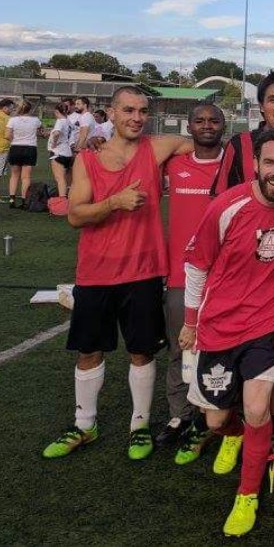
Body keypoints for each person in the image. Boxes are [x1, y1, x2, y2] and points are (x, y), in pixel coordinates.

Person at [41, 86, 193, 461]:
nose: (136, 117)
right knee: (89, 350)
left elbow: (200, 139)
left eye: (143, 111)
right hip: (96, 273)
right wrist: (114, 202)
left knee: (142, 352)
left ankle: (138, 425)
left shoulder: (155, 148)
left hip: (144, 272)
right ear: (111, 112)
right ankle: (84, 424)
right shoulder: (88, 159)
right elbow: (75, 215)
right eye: (128, 110)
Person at [179, 126, 274, 537]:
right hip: (219, 326)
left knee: (256, 407)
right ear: (255, 164)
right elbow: (197, 266)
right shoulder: (226, 206)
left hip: (267, 327)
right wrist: (190, 322)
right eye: (270, 162)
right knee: (216, 421)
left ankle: (246, 495)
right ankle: (233, 435)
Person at [157, 104, 226, 463]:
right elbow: (142, 152)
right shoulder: (174, 165)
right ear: (189, 127)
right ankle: (179, 415)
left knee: (217, 351)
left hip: (223, 278)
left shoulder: (234, 168)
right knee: (180, 348)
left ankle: (209, 416)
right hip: (180, 275)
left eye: (214, 121)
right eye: (199, 121)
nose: (207, 126)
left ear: (224, 126)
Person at [6, 100, 46, 208]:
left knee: (14, 175)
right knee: (26, 177)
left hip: (15, 148)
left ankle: (12, 200)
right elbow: (43, 132)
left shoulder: (12, 120)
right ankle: (24, 201)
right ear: (30, 109)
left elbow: (7, 135)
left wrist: (14, 141)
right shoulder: (36, 120)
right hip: (30, 148)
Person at [48, 103, 75, 197]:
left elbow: (57, 133)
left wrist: (54, 143)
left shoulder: (60, 121)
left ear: (56, 111)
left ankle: (62, 200)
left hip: (58, 152)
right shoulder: (68, 121)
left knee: (60, 179)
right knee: (66, 178)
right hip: (67, 152)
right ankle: (69, 197)